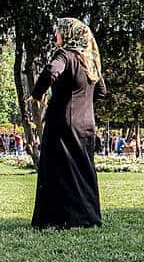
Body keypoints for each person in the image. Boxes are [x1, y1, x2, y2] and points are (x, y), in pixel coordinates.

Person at [27, 17, 106, 229]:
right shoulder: (89, 60)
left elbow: (51, 71)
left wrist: (37, 94)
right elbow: (101, 91)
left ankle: (54, 219)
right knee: (83, 169)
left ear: (68, 33)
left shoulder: (65, 55)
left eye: (58, 32)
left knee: (54, 168)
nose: (55, 36)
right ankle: (88, 217)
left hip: (62, 122)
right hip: (86, 123)